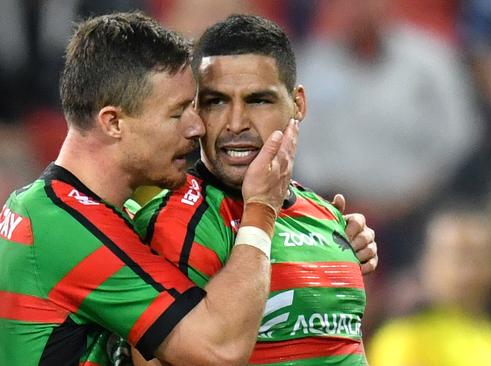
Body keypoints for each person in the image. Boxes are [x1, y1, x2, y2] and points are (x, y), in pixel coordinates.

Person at [0, 12, 301, 365]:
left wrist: (327, 233)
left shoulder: (69, 210)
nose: (197, 127)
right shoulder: (59, 226)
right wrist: (261, 210)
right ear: (113, 122)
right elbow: (218, 350)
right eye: (177, 113)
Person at [132, 15, 375, 365]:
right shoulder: (175, 224)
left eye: (258, 100)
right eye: (216, 101)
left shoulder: (326, 216)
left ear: (298, 105)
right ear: (194, 109)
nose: (235, 123)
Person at [368, 208, 491, 366]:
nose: (468, 272)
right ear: (426, 263)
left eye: (479, 259)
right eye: (456, 257)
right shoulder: (404, 339)